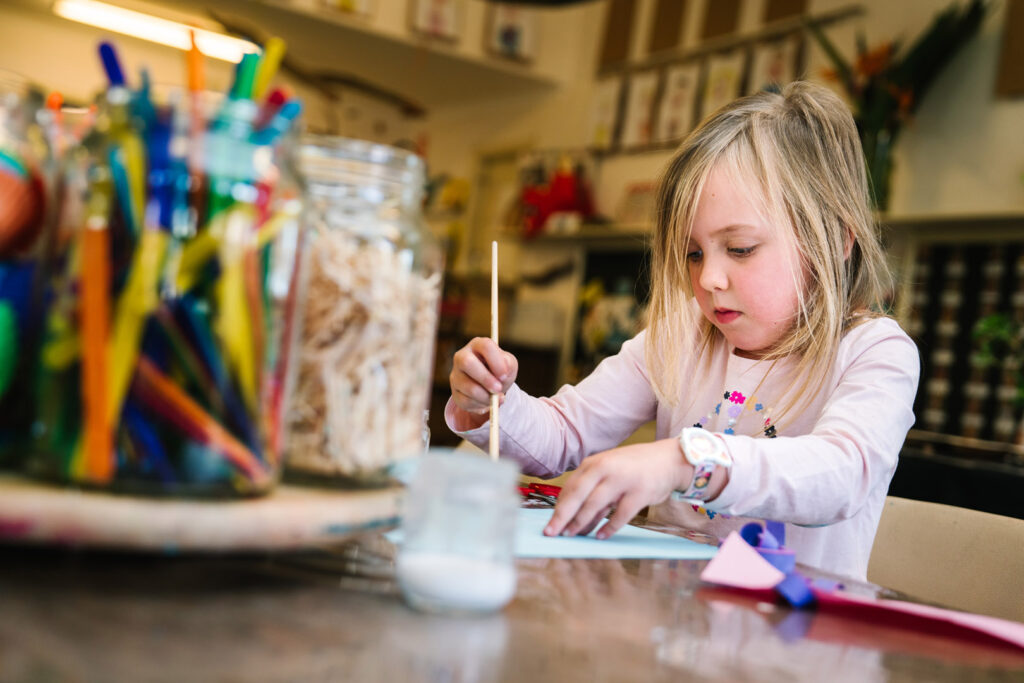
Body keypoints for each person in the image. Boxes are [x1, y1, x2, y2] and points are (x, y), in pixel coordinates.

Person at [445, 81, 920, 581]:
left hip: (792, 640)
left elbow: (842, 475)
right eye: (693, 253)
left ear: (835, 239)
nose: (709, 278)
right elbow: (561, 437)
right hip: (667, 627)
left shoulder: (875, 352)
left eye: (739, 249)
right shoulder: (679, 337)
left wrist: (684, 460)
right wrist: (489, 401)